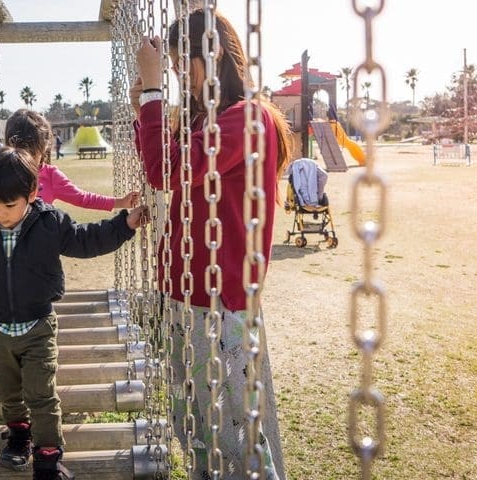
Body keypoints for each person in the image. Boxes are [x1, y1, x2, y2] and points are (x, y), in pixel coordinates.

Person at [0, 146, 146, 480]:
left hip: (37, 328)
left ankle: (48, 457)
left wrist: (125, 224)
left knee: (41, 394)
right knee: (6, 391)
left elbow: (87, 240)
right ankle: (19, 435)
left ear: (32, 195)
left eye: (8, 206)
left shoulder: (50, 224)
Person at [129, 8, 292, 480]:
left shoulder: (248, 118)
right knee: (196, 428)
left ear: (213, 53)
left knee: (237, 435)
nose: (178, 73)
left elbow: (163, 172)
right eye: (171, 66)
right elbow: (162, 163)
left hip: (221, 304)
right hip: (185, 295)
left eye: (182, 62)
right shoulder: (205, 120)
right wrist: (145, 107)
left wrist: (154, 93)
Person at [0, 109, 139, 223]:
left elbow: (82, 198)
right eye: (18, 150)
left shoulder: (50, 176)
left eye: (31, 153)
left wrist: (120, 202)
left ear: (43, 148)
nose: (24, 160)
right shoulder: (4, 171)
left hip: (39, 255)